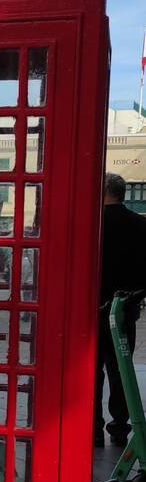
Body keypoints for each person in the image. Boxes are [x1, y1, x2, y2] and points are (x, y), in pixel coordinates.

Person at [96, 173, 146, 445]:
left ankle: (92, 428)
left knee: (91, 372)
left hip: (90, 309)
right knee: (120, 371)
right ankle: (119, 428)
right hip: (124, 307)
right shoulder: (140, 224)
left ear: (103, 190)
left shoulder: (92, 223)